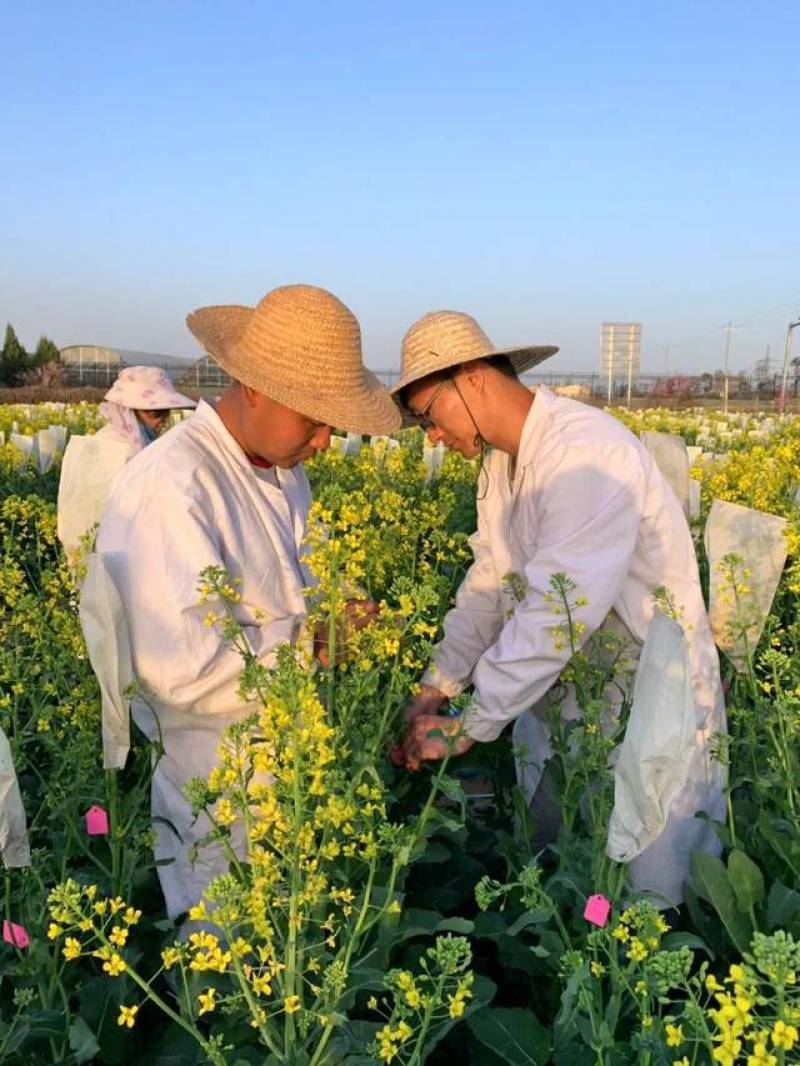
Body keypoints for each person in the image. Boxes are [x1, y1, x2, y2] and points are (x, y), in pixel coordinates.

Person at [394, 309, 726, 905]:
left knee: (641, 886)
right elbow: (491, 583)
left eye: (427, 416)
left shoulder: (585, 454)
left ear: (471, 376)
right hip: (571, 694)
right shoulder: (503, 464)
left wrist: (470, 723)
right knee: (568, 868)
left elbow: (555, 610)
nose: (432, 437)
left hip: (643, 695)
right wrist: (437, 684)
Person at [91, 284, 401, 919]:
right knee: (229, 970)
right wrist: (317, 643)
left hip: (293, 762)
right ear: (253, 385)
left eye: (333, 424)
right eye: (313, 419)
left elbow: (303, 574)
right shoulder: (173, 484)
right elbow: (181, 666)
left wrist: (345, 601)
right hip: (221, 784)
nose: (324, 440)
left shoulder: (281, 470)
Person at [57, 366, 196, 562]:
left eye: (165, 412)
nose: (163, 420)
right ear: (129, 412)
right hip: (113, 555)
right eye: (155, 414)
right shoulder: (116, 448)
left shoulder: (128, 441)